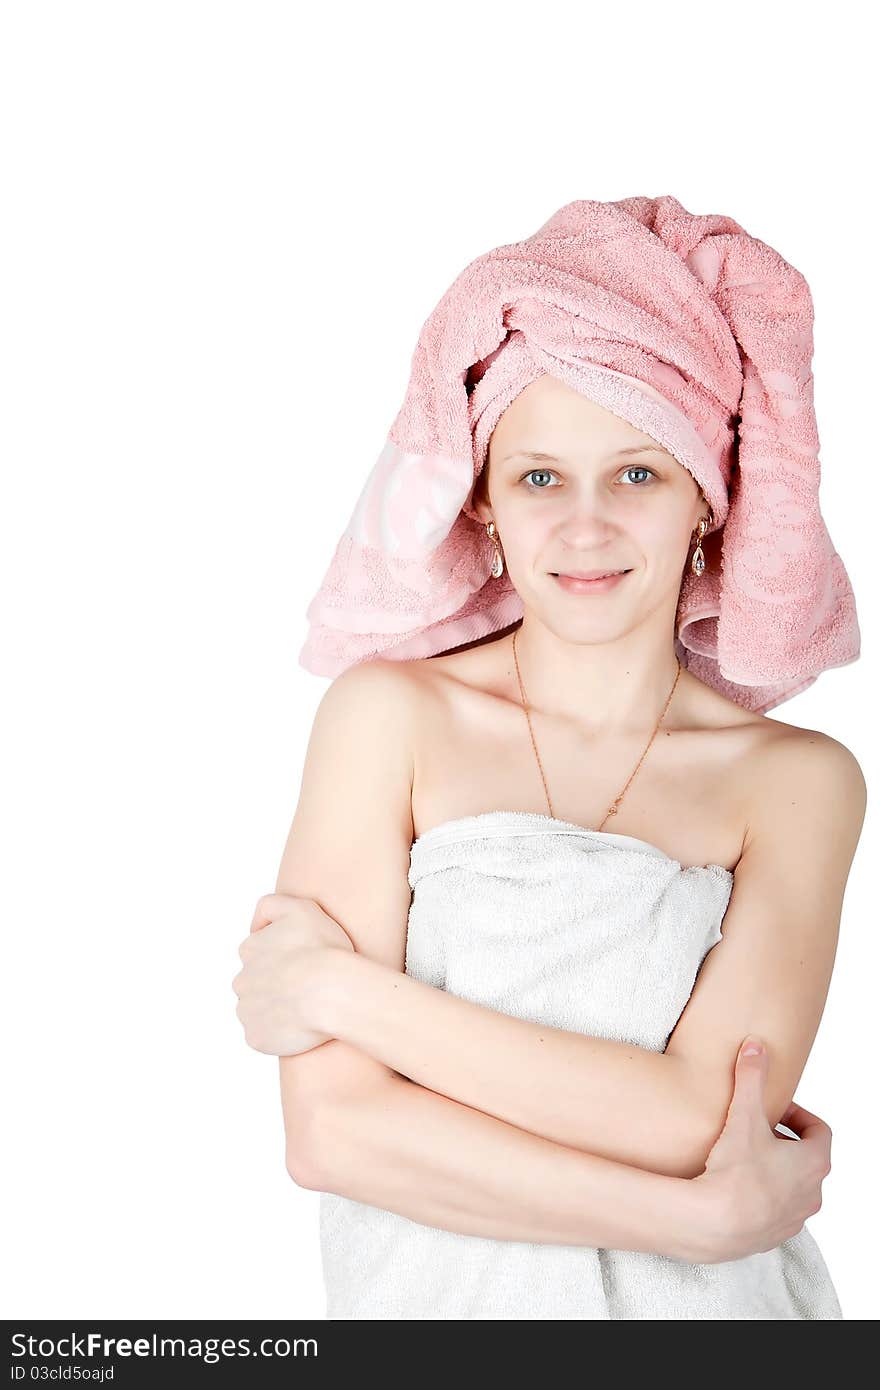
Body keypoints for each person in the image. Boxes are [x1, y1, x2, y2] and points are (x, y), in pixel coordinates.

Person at [233, 197, 865, 1318]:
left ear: (707, 503)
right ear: (481, 501)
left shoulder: (797, 781)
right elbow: (333, 1133)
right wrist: (693, 1218)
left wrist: (340, 990)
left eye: (637, 474)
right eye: (538, 478)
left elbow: (692, 1117)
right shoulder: (388, 720)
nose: (584, 528)